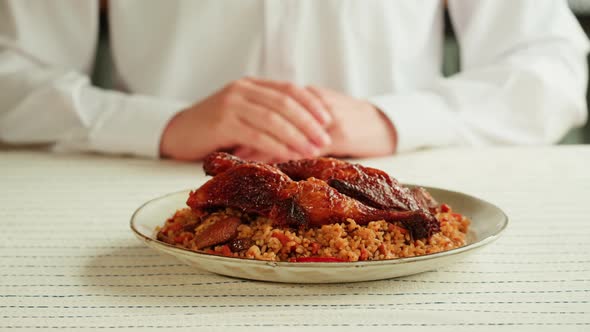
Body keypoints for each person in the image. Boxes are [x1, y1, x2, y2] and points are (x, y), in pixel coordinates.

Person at [0, 0, 588, 162]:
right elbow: (10, 73)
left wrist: (391, 120)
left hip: (407, 202)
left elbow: (555, 70)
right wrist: (163, 125)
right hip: (147, 202)